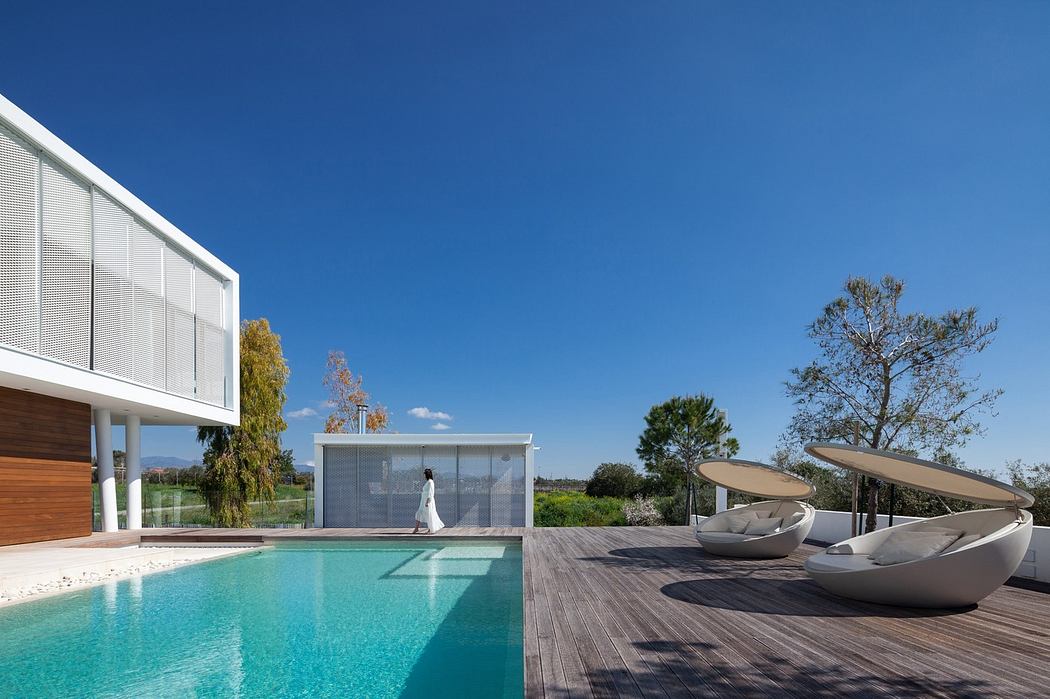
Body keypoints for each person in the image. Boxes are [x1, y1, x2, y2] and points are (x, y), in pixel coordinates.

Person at [413, 468, 445, 534]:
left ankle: (430, 529)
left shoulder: (430, 482)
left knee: (429, 515)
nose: (424, 475)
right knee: (419, 513)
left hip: (428, 502)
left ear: (427, 474)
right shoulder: (428, 482)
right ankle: (416, 528)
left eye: (424, 474)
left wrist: (427, 502)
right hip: (423, 501)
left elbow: (431, 492)